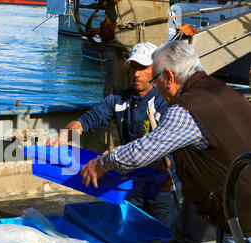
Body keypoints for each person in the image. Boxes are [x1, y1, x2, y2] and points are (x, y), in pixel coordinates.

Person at [80, 40, 251, 243]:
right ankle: (185, 242)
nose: (156, 87)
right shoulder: (220, 89)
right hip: (233, 184)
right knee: (198, 172)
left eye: (157, 79)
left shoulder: (186, 109)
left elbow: (142, 151)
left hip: (243, 213)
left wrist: (102, 163)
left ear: (169, 77)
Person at [47, 42, 180, 227]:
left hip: (164, 185)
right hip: (133, 182)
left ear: (155, 69)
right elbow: (89, 119)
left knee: (165, 233)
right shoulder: (118, 100)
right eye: (134, 67)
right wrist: (66, 134)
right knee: (132, 230)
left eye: (143, 68)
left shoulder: (165, 103)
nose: (136, 74)